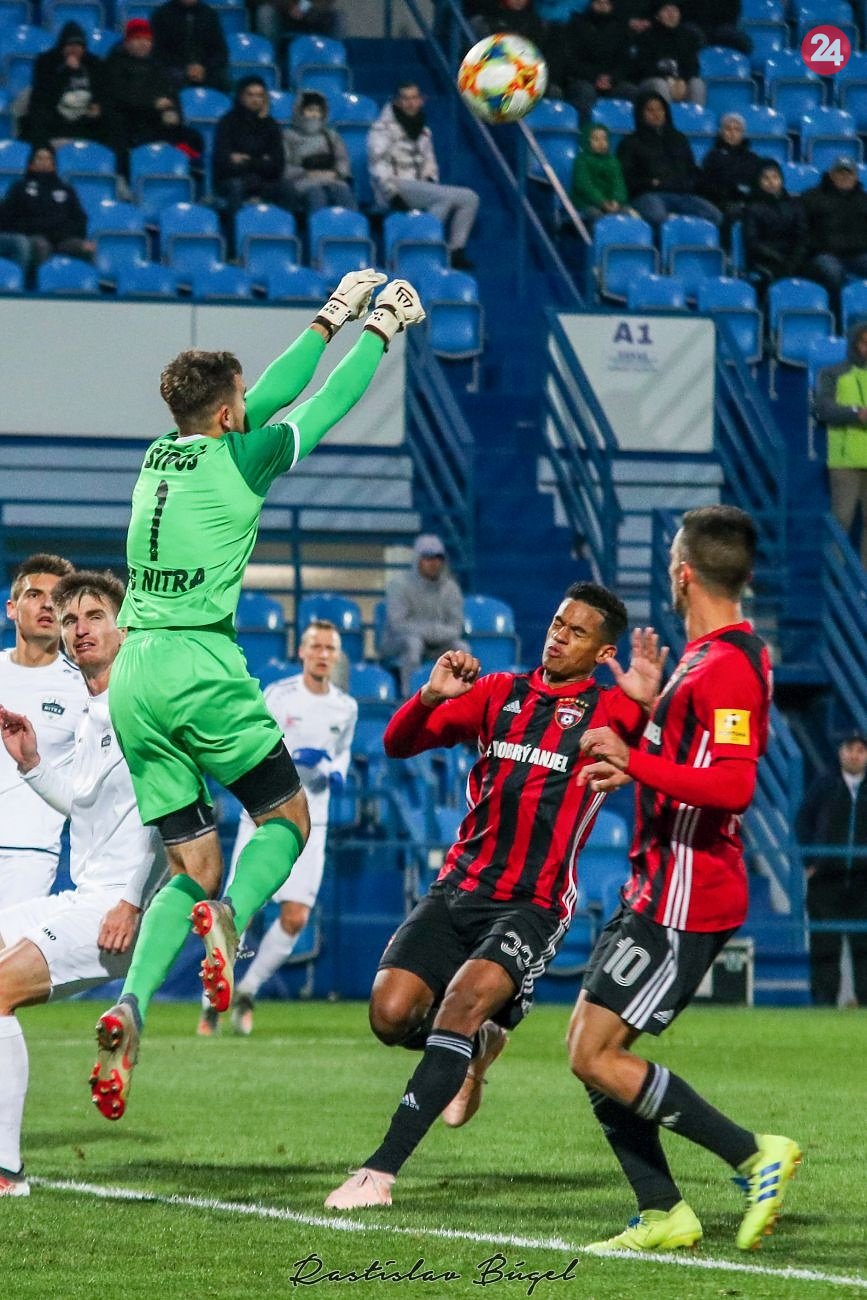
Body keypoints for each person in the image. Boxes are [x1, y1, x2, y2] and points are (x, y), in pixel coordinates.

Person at [92, 271, 426, 1121]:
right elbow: (326, 403)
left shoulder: (161, 452)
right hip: (199, 663)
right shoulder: (246, 457)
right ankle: (232, 920)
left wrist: (327, 316)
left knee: (189, 866)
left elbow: (263, 394)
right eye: (240, 400)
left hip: (134, 674)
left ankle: (131, 1003)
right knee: (286, 821)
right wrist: (380, 330)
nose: (250, 406)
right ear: (227, 414)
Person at [324, 585, 669, 1209]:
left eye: (577, 632)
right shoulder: (498, 692)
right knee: (390, 1015)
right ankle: (478, 1046)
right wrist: (430, 696)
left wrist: (647, 710)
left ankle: (379, 1173)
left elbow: (660, 760)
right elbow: (399, 744)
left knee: (459, 1006)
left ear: (603, 652)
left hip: (532, 903)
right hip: (458, 886)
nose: (558, 636)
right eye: (557, 623)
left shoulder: (609, 709)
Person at [568, 505, 801, 1255]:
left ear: (682, 573)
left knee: (595, 1053)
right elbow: (687, 759)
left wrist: (634, 757)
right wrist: (644, 715)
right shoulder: (709, 658)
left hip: (686, 889)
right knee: (589, 1046)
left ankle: (752, 1154)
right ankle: (662, 1210)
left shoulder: (727, 665)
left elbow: (732, 785)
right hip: (658, 879)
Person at [0, 570, 164, 1174]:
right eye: (70, 620)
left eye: (95, 616)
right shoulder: (95, 711)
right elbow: (83, 802)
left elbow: (172, 817)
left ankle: (6, 1172)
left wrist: (132, 901)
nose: (79, 629)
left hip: (115, 910)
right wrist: (33, 764)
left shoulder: (143, 706)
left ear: (125, 629)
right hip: (82, 897)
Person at [198, 618, 357, 1035]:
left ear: (337, 656)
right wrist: (292, 757)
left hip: (312, 820)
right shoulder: (279, 695)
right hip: (264, 811)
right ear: (302, 651)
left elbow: (342, 754)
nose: (322, 654)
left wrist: (334, 770)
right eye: (316, 646)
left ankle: (247, 990)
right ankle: (211, 1002)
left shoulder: (346, 707)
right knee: (240, 910)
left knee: (295, 917)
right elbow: (256, 742)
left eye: (330, 648)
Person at [0, 554, 87, 908]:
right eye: (35, 595)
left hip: (29, 853)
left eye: (58, 598)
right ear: (11, 608)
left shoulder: (85, 689)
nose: (48, 604)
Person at [368, 83, 479, 271]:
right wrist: (391, 193)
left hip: (420, 188)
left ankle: (455, 250)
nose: (411, 103)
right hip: (395, 188)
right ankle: (422, 244)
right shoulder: (381, 130)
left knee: (470, 197)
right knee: (444, 197)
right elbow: (377, 165)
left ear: (421, 101)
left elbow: (430, 163)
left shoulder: (424, 131)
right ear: (397, 102)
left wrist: (430, 180)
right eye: (405, 98)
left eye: (414, 98)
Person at [797, 731, 867, 1007]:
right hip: (826, 881)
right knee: (825, 945)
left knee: (864, 947)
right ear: (840, 752)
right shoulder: (825, 784)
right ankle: (823, 1004)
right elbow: (803, 821)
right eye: (850, 749)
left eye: (860, 750)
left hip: (863, 883)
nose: (854, 755)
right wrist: (810, 862)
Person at [379, 534, 468, 697]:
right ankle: (410, 698)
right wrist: (430, 632)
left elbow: (456, 627)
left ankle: (461, 699)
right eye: (428, 557)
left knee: (462, 649)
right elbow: (398, 624)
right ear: (417, 559)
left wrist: (433, 634)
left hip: (438, 643)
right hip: (398, 642)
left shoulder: (451, 589)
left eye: (438, 557)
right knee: (413, 644)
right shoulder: (399, 585)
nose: (434, 563)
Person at [617, 91, 721, 229]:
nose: (656, 114)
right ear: (641, 113)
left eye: (660, 109)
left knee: (714, 216)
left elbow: (691, 170)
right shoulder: (630, 142)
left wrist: (688, 184)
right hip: (648, 194)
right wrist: (649, 183)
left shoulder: (679, 139)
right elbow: (626, 177)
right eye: (650, 110)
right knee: (657, 216)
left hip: (682, 194)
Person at [213, 76, 296, 244]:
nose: (255, 99)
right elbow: (223, 163)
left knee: (288, 189)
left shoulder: (271, 125)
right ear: (241, 96)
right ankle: (234, 246)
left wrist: (246, 160)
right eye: (250, 95)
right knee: (236, 188)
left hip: (263, 181)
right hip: (233, 180)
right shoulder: (227, 123)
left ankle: (284, 242)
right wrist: (261, 161)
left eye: (259, 95)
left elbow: (277, 165)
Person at [0, 145, 95, 287]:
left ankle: (85, 287)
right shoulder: (19, 188)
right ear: (31, 164)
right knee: (41, 245)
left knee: (86, 248)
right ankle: (40, 288)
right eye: (39, 158)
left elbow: (80, 219)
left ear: (54, 164)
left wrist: (66, 234)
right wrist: (36, 230)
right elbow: (8, 219)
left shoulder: (65, 189)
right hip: (33, 237)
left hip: (63, 238)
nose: (44, 162)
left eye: (48, 159)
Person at [813, 322, 867, 566]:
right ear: (855, 344)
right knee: (842, 520)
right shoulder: (832, 373)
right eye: (864, 343)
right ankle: (834, 575)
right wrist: (855, 413)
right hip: (844, 461)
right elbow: (823, 409)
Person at [104, 19, 177, 169]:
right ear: (127, 42)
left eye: (148, 40)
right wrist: (153, 104)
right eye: (138, 38)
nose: (144, 43)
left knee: (190, 139)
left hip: (153, 123)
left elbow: (170, 96)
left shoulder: (158, 67)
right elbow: (122, 97)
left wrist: (172, 112)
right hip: (124, 124)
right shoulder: (114, 65)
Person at [25, 21, 108, 147]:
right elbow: (44, 96)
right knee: (38, 113)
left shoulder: (94, 63)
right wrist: (66, 71)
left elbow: (103, 91)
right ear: (62, 46)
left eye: (78, 45)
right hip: (55, 120)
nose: (74, 49)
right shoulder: (46, 61)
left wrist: (98, 104)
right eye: (70, 45)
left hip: (85, 120)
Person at [802, 157, 867, 310]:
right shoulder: (813, 197)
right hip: (826, 253)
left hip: (858, 254)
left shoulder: (864, 200)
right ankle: (838, 315)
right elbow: (803, 229)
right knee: (833, 273)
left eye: (849, 173)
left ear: (856, 176)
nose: (844, 177)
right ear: (831, 175)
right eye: (840, 173)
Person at [556, 0, 636, 120]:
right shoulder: (577, 25)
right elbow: (570, 61)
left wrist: (612, 78)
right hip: (582, 79)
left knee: (632, 92)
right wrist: (594, 77)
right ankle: (586, 129)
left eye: (606, 3)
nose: (602, 6)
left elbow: (625, 62)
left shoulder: (620, 28)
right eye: (599, 3)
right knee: (585, 91)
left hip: (611, 81)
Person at [282, 90, 356, 218]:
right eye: (310, 110)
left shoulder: (331, 136)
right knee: (317, 194)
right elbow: (284, 167)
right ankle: (318, 228)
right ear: (300, 111)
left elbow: (342, 160)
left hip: (332, 179)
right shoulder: (288, 136)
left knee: (343, 193)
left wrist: (337, 173)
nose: (314, 114)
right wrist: (306, 173)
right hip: (302, 181)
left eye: (318, 111)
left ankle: (350, 227)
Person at [742, 159, 808, 295]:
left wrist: (794, 259)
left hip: (793, 258)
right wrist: (778, 257)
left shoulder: (795, 205)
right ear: (758, 181)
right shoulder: (752, 208)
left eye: (775, 177)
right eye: (766, 178)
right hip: (765, 260)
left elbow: (802, 236)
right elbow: (752, 242)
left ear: (781, 180)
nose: (771, 182)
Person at [631, 1, 706, 107]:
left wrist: (682, 80)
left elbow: (693, 66)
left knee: (696, 83)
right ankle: (665, 116)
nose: (671, 14)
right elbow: (643, 68)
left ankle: (695, 116)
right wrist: (668, 80)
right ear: (657, 16)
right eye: (666, 10)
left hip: (680, 82)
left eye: (675, 10)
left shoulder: (687, 37)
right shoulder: (646, 37)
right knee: (660, 85)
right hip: (652, 81)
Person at [699, 113, 764, 226]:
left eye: (737, 129)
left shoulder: (752, 158)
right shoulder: (712, 157)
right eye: (728, 129)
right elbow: (706, 184)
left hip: (748, 202)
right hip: (720, 203)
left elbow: (757, 184)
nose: (732, 133)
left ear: (742, 133)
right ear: (721, 132)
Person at [150, 0, 229, 93]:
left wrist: (204, 68)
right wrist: (186, 68)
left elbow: (221, 51)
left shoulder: (209, 14)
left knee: (220, 77)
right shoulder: (161, 15)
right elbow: (158, 51)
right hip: (174, 68)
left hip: (205, 69)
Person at [570, 122, 633, 226]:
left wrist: (616, 200)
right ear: (587, 141)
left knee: (627, 214)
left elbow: (619, 184)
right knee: (598, 216)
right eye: (596, 139)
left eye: (604, 139)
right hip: (587, 203)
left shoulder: (613, 161)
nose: (601, 143)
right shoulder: (581, 160)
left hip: (611, 202)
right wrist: (602, 202)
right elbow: (584, 185)